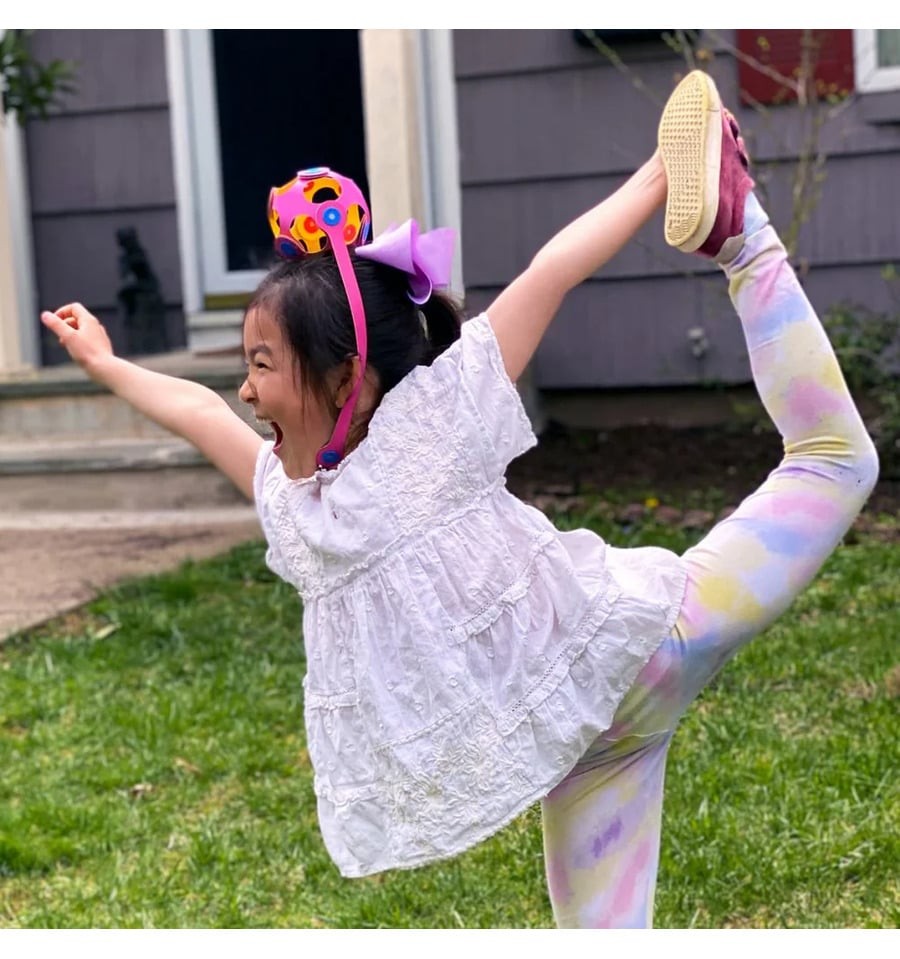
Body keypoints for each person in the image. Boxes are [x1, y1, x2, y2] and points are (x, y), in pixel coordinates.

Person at [41, 71, 878, 928]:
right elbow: (197, 410)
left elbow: (549, 274)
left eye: (260, 364)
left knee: (833, 460)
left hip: (648, 641)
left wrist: (668, 170)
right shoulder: (298, 508)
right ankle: (738, 232)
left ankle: (740, 235)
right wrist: (106, 364)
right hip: (589, 746)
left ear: (346, 380)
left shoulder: (432, 424)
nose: (245, 391)